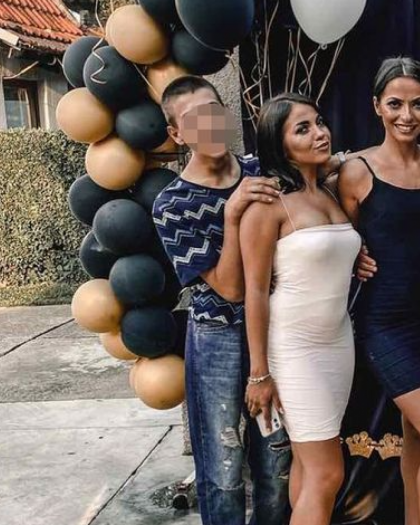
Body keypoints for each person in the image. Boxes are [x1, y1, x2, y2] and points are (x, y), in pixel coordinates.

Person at [152, 76, 290, 525]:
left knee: (277, 461)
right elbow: (229, 288)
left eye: (214, 111)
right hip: (218, 338)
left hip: (277, 329)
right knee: (223, 467)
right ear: (177, 134)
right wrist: (232, 214)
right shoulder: (172, 204)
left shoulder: (265, 170)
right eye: (194, 119)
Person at [337, 56, 420, 525]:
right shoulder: (356, 171)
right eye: (395, 104)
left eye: (417, 104)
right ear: (377, 106)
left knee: (418, 436)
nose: (406, 115)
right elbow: (335, 235)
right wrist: (352, 254)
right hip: (384, 322)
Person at [240, 93, 362, 525]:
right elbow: (255, 291)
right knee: (328, 473)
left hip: (338, 342)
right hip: (293, 348)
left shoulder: (328, 190)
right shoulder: (266, 205)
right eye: (303, 129)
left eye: (319, 122)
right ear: (279, 143)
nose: (319, 133)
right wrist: (259, 373)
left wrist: (358, 258)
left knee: (310, 470)